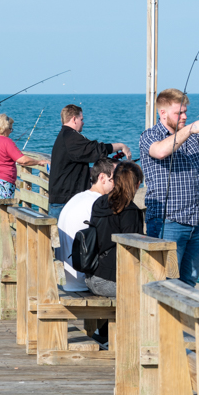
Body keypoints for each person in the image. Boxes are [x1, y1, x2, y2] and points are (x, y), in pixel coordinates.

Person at [141, 88, 199, 287]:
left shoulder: (192, 137)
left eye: (186, 112)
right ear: (162, 113)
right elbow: (161, 152)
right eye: (179, 113)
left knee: (189, 282)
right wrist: (189, 129)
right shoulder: (149, 136)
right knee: (164, 281)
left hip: (195, 220)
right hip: (167, 221)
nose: (184, 116)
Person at [49, 104, 132, 219]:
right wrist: (120, 146)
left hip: (62, 199)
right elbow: (96, 150)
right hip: (65, 202)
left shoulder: (64, 136)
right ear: (74, 119)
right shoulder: (71, 137)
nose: (83, 122)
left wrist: (95, 171)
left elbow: (71, 167)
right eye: (81, 119)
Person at [85, 162, 145, 297]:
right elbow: (133, 252)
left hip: (91, 278)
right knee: (153, 293)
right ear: (137, 184)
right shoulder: (130, 211)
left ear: (114, 180)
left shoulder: (99, 202)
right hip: (111, 281)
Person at [56, 158, 117, 291]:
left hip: (65, 279)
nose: (118, 184)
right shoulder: (99, 203)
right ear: (102, 178)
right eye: (115, 179)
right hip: (81, 282)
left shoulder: (78, 197)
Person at [0, 114, 48, 200]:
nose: (11, 131)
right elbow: (22, 160)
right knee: (2, 210)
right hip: (1, 182)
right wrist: (39, 162)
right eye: (10, 129)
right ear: (4, 128)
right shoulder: (6, 141)